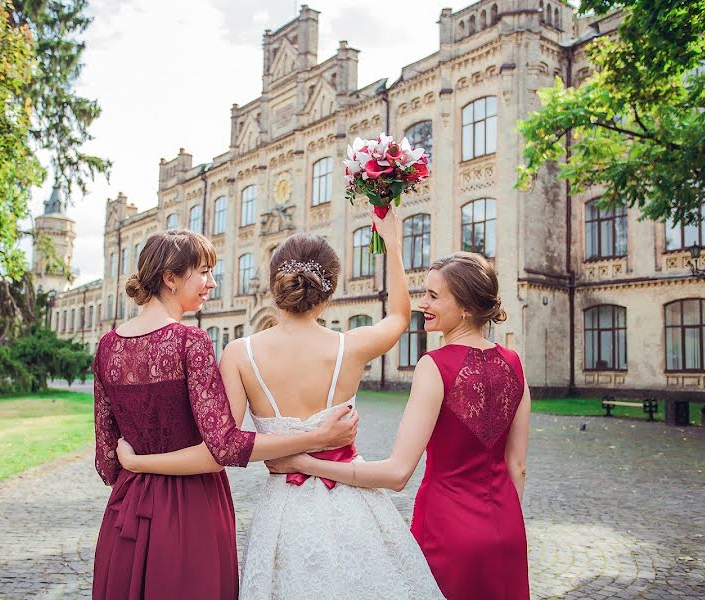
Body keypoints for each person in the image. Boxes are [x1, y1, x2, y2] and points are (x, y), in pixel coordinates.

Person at [118, 211, 444, 599]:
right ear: (330, 289)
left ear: (275, 285)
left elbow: (223, 443)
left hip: (283, 511)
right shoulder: (352, 347)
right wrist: (391, 241)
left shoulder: (240, 354)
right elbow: (399, 315)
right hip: (353, 505)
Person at [92, 228, 358, 600]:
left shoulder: (106, 347)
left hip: (127, 509)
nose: (212, 283)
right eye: (203, 273)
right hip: (190, 508)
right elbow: (225, 446)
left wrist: (136, 464)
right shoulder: (190, 342)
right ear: (170, 278)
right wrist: (317, 438)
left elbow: (107, 461)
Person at [268, 251, 531, 600]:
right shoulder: (514, 363)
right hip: (508, 529)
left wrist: (303, 463)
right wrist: (505, 520)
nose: (423, 303)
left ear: (466, 307)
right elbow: (518, 467)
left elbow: (397, 474)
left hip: (447, 530)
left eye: (434, 296)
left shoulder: (435, 365)